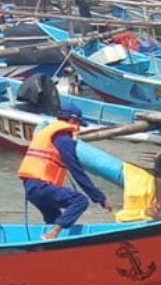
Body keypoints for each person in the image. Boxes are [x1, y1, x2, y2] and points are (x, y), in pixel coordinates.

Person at [18, 103, 112, 240]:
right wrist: (100, 198)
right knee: (79, 201)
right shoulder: (63, 138)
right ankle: (53, 234)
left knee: (54, 218)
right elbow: (76, 171)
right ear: (73, 121)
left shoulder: (49, 131)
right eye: (79, 124)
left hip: (30, 187)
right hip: (41, 186)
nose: (78, 128)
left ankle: (50, 244)